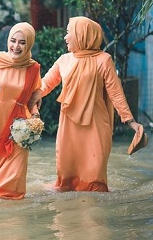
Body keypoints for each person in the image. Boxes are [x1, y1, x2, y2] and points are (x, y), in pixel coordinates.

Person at [29, 16, 143, 192]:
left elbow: (116, 93)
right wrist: (32, 97)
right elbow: (45, 84)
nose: (65, 37)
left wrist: (130, 121)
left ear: (82, 35)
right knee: (67, 180)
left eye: (69, 33)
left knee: (94, 181)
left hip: (96, 125)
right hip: (69, 126)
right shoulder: (64, 60)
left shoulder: (104, 60)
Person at [0, 22, 41, 199]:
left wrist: (35, 115)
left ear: (29, 45)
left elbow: (32, 98)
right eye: (13, 41)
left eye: (22, 42)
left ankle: (13, 219)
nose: (16, 46)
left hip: (18, 127)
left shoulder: (34, 68)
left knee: (14, 178)